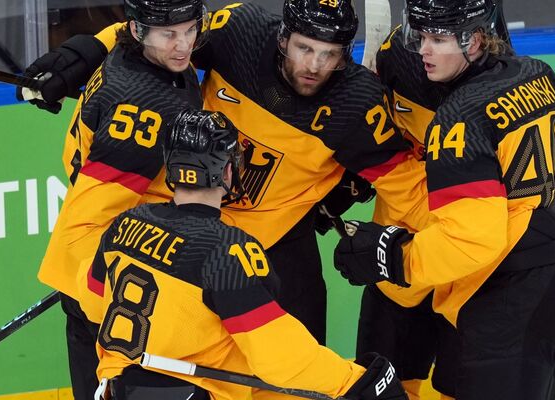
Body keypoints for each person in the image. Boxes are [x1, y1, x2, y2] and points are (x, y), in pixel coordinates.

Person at [23, 0, 431, 353]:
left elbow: (409, 187)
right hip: (190, 226)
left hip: (277, 246)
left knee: (294, 371)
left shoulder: (357, 105)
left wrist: (402, 248)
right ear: (283, 37)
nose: (314, 65)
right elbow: (166, 30)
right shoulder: (241, 31)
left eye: (331, 54)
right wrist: (94, 47)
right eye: (305, 48)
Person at [332, 1, 555, 399]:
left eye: (438, 38)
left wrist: (391, 256)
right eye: (421, 37)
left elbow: (476, 235)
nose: (424, 49)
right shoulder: (535, 76)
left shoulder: (460, 116)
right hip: (436, 277)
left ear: (477, 38)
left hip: (481, 279)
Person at [83, 108, 407, 400]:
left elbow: (92, 302)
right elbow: (281, 359)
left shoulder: (125, 224)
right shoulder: (227, 251)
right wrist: (355, 383)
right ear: (226, 172)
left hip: (116, 388)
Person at [32, 1, 207, 398]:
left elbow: (117, 32)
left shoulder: (128, 47)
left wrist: (86, 47)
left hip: (95, 264)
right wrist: (108, 292)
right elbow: (95, 217)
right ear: (140, 30)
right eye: (169, 34)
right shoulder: (144, 106)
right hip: (104, 276)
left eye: (190, 30)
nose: (183, 46)